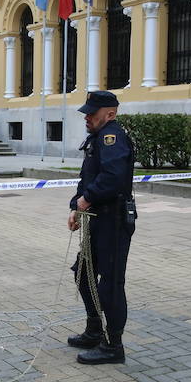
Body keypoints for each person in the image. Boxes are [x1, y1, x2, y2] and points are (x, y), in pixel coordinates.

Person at [65, 90, 136, 365]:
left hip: (113, 220)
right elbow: (88, 177)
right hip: (96, 217)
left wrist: (86, 199)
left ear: (110, 114)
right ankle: (94, 329)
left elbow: (113, 178)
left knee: (110, 284)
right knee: (83, 274)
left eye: (92, 114)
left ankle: (113, 345)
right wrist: (77, 206)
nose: (87, 118)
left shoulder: (113, 138)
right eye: (86, 113)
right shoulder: (97, 138)